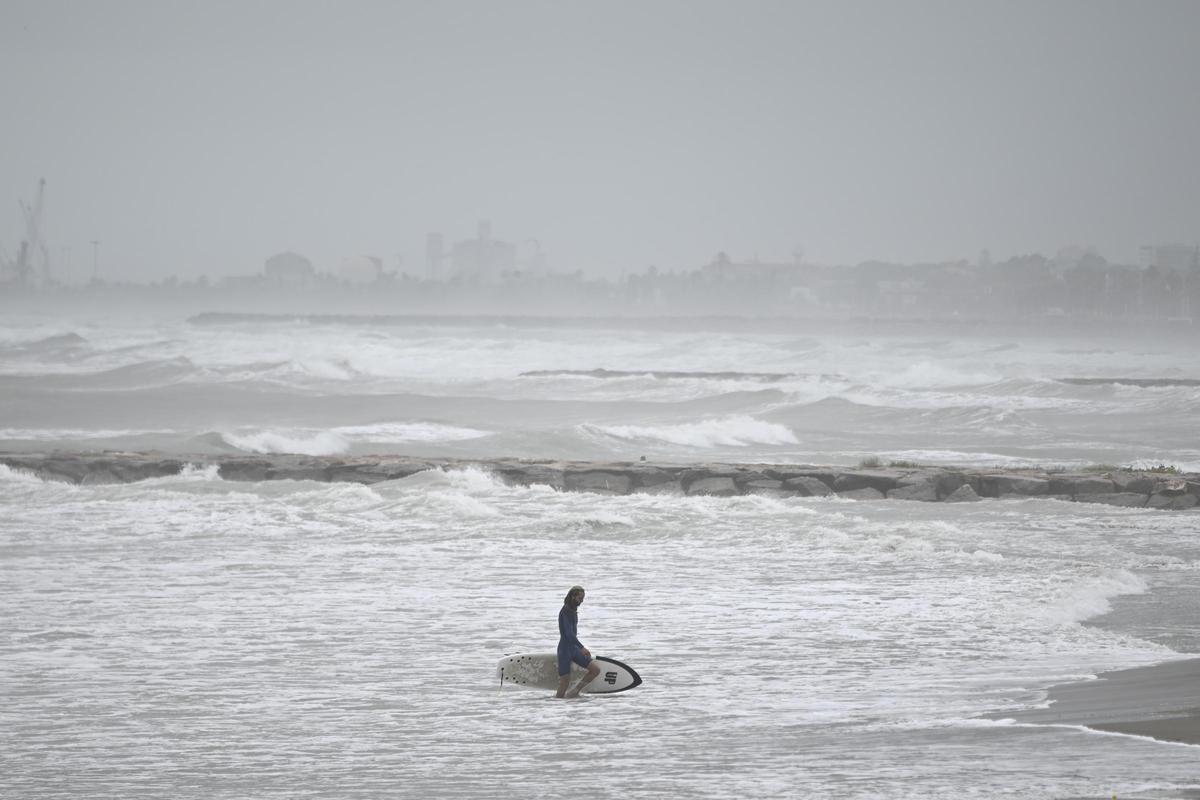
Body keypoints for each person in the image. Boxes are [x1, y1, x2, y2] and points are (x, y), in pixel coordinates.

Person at [556, 585, 600, 698]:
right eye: (580, 598)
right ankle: (556, 705)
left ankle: (575, 691)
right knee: (564, 682)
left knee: (595, 670)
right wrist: (582, 648)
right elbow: (569, 634)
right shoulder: (565, 611)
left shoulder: (573, 610)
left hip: (574, 649)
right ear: (573, 596)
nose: (582, 601)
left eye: (583, 598)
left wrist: (578, 648)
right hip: (565, 650)